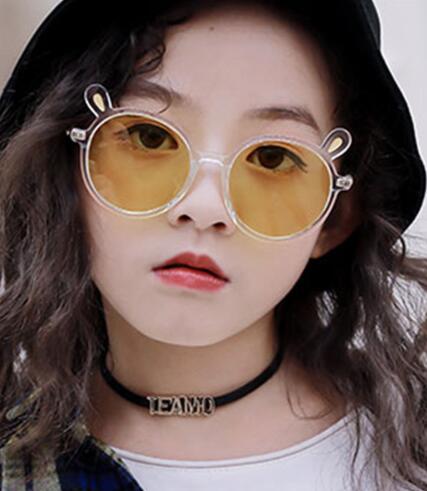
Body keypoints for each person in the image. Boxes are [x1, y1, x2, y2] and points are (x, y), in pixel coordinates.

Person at [0, 0, 426, 489]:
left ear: (335, 219)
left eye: (273, 157)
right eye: (149, 137)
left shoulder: (409, 460)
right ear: (66, 170)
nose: (205, 208)